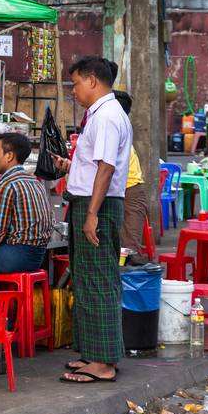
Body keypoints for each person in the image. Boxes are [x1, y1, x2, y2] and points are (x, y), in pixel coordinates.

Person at [53, 55, 131, 385]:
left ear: (92, 81)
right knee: (85, 279)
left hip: (98, 205)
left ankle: (103, 361)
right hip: (88, 201)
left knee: (99, 281)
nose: (74, 90)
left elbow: (106, 167)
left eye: (76, 83)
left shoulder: (109, 116)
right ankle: (91, 352)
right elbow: (92, 165)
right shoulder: (99, 115)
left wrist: (92, 214)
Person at [0, 132, 53, 292]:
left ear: (9, 156)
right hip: (38, 256)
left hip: (17, 256)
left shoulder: (7, 184)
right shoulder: (34, 181)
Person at [114, 91, 150, 254]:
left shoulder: (118, 128)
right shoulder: (117, 126)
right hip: (119, 191)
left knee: (129, 250)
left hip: (130, 190)